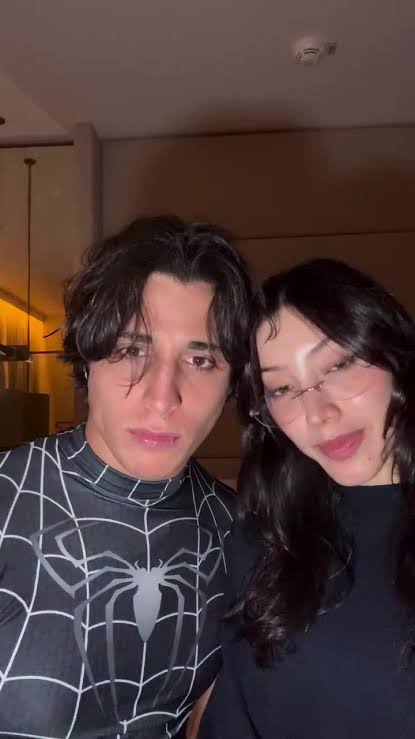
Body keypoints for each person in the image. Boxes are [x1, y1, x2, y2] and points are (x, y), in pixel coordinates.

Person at [0, 216, 253, 738]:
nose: (163, 398)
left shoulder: (235, 530)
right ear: (87, 359)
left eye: (200, 359)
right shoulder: (9, 495)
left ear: (232, 381)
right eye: (132, 350)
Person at [199, 258, 415, 739]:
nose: (318, 413)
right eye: (282, 388)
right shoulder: (260, 545)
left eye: (338, 365)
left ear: (394, 353)